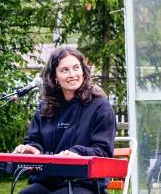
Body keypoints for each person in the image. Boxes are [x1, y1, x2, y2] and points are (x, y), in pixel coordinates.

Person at [14, 47, 116, 194]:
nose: (72, 74)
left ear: (83, 71)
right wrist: (32, 148)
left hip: (84, 183)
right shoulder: (45, 107)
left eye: (76, 68)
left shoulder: (100, 106)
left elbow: (103, 151)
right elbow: (34, 140)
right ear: (54, 76)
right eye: (65, 70)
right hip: (48, 180)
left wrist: (76, 153)